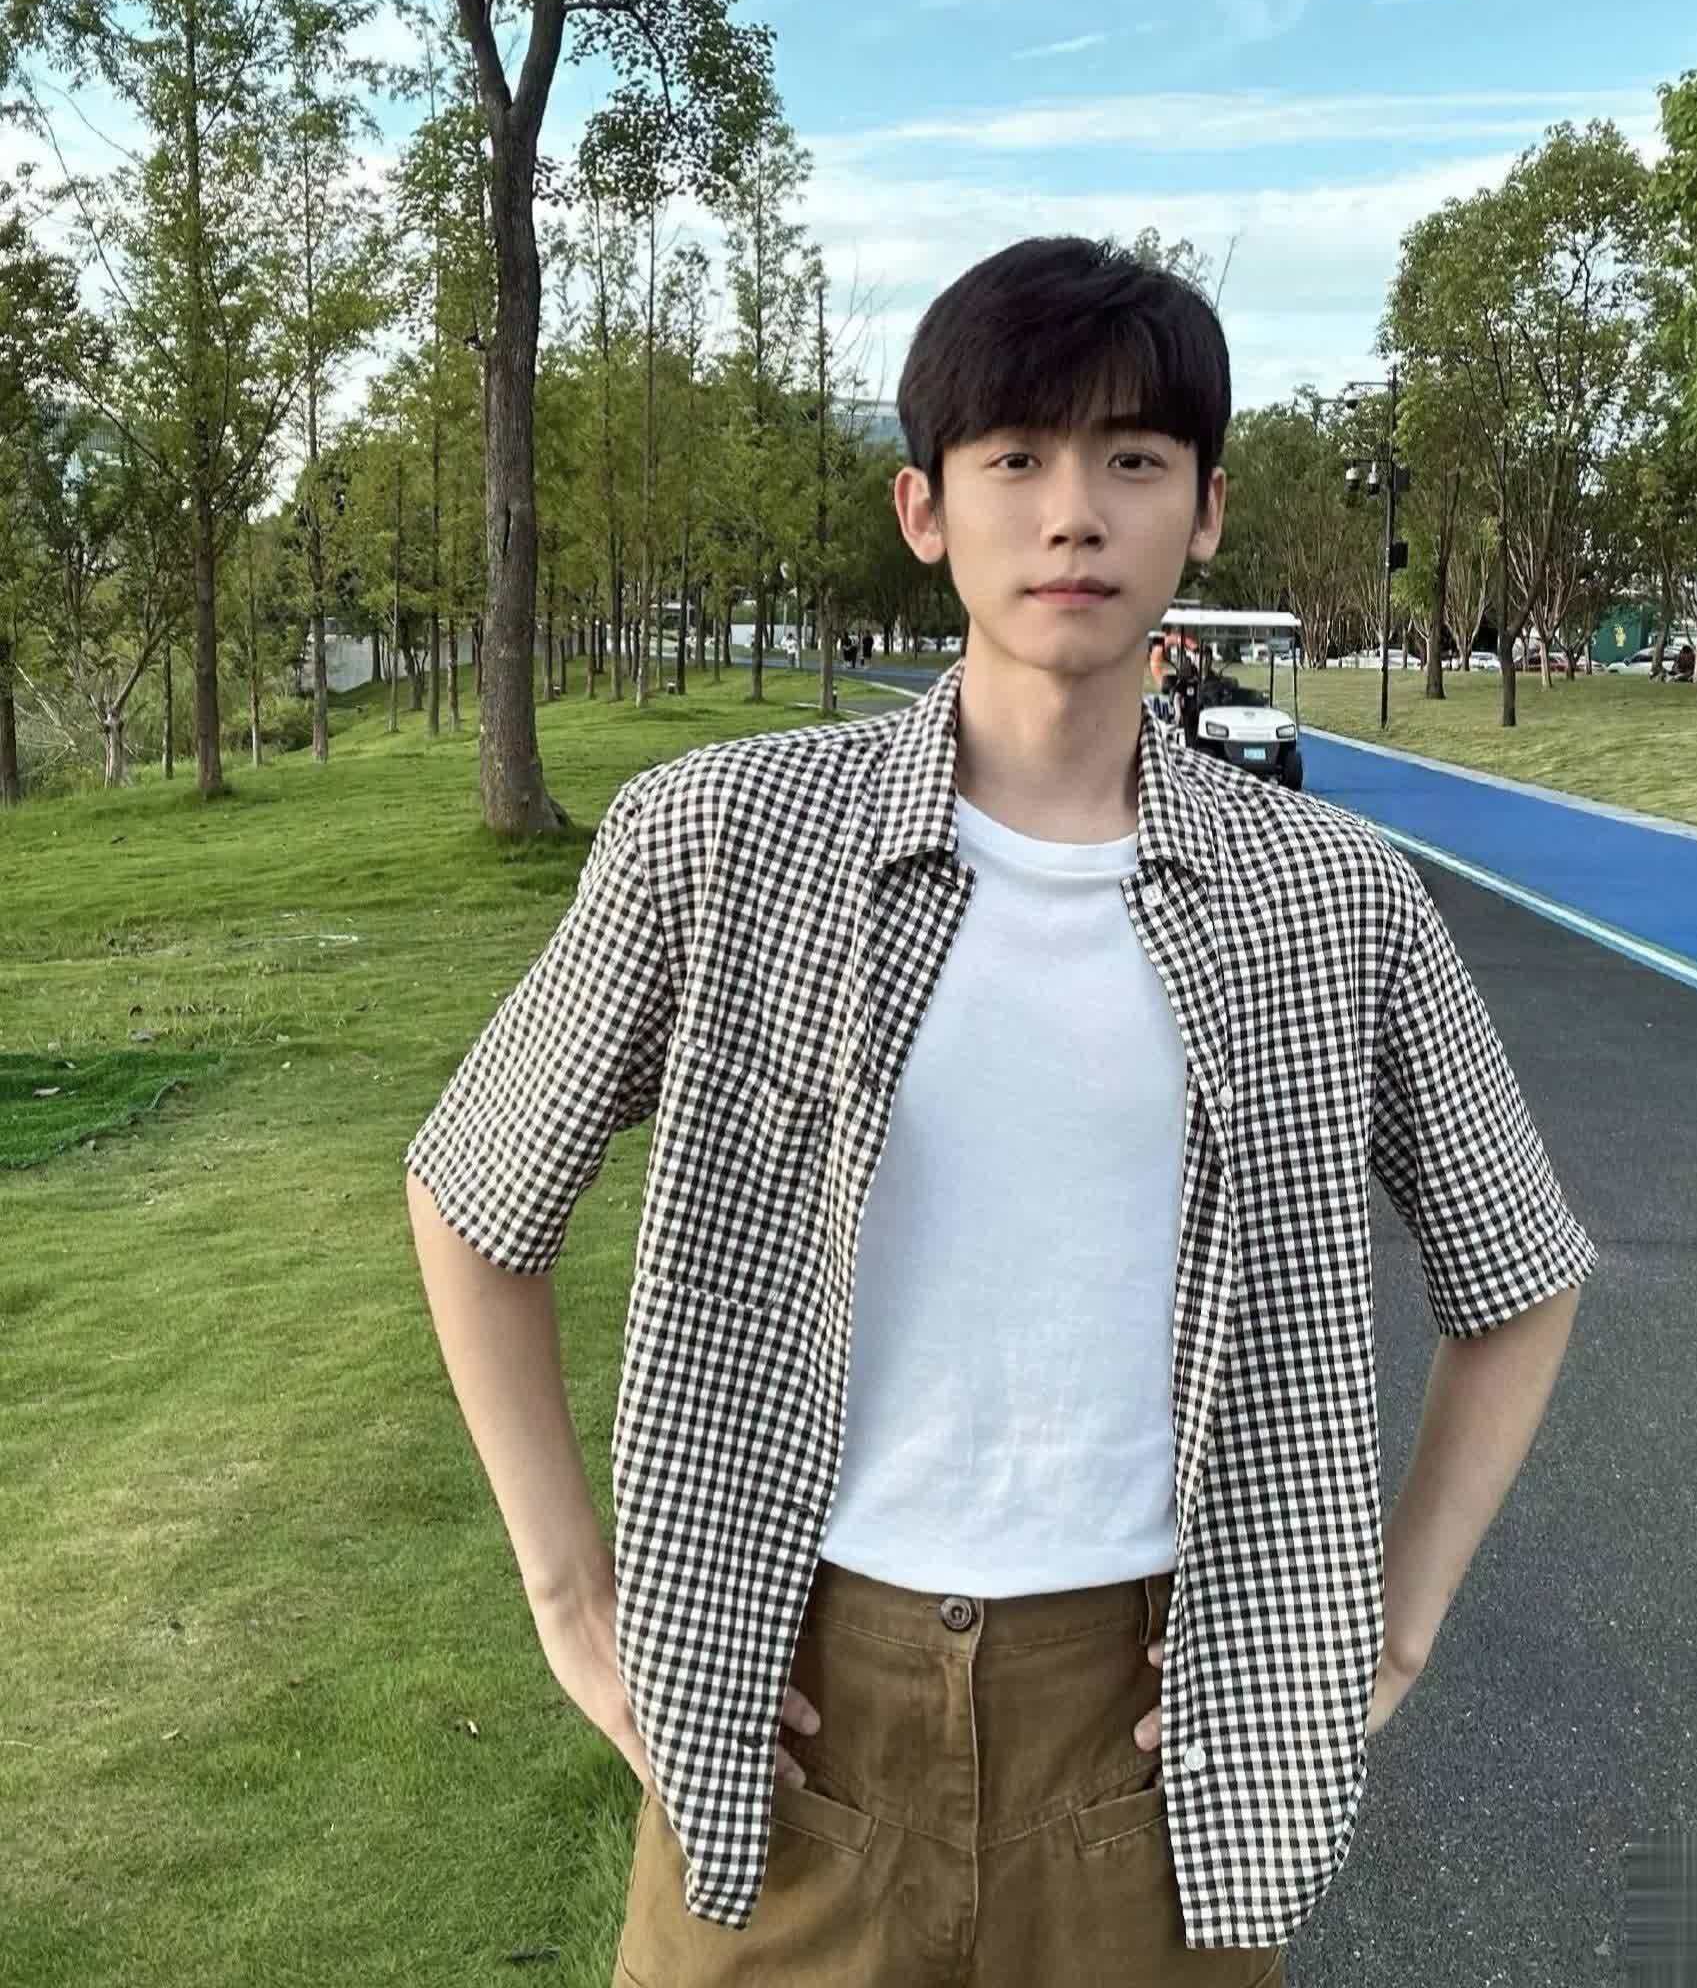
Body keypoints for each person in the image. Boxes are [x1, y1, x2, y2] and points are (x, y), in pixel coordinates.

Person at [403, 234, 1599, 1985]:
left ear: (1206, 511)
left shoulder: (1333, 898)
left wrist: (1388, 1631)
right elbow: (472, 1194)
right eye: (1017, 459)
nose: (1074, 516)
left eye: (1135, 460)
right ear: (925, 508)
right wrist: (572, 1596)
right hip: (798, 1702)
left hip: (1150, 1742)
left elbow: (1521, 1275)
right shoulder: (720, 841)